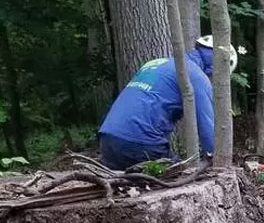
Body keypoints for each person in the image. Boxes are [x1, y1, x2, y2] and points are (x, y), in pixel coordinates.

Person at [97, 36, 229, 170]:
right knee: (183, 173)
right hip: (140, 145)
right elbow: (207, 125)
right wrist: (216, 157)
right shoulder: (196, 75)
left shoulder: (155, 63)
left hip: (106, 141)